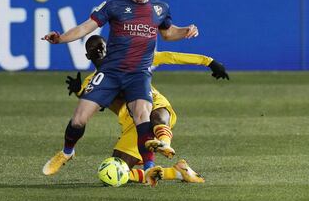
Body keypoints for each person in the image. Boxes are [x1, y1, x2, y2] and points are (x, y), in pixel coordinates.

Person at [41, 0, 199, 185]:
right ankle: (67, 152)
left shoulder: (160, 8)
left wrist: (185, 31)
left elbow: (168, 33)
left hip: (138, 74)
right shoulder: (114, 4)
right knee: (79, 118)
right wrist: (61, 38)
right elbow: (86, 27)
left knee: (142, 115)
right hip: (111, 72)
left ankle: (150, 167)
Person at [65, 35, 229, 185]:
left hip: (154, 105)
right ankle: (177, 172)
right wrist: (79, 91)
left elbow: (168, 56)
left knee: (155, 115)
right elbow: (88, 101)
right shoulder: (92, 81)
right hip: (132, 128)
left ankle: (164, 144)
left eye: (101, 46)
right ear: (88, 57)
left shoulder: (132, 60)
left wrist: (209, 62)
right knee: (116, 175)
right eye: (94, 49)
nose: (100, 50)